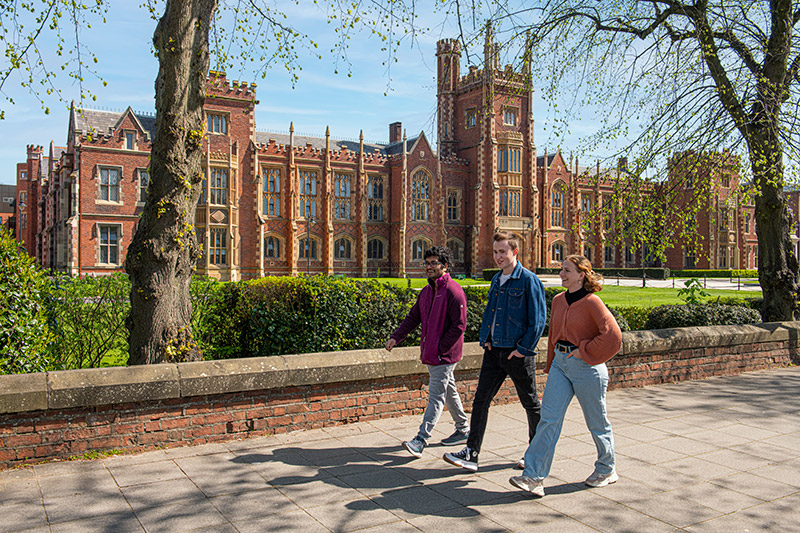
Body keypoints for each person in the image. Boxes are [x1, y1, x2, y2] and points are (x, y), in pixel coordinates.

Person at [509, 254, 623, 498]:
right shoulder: (559, 300)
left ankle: (606, 469)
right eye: (561, 269)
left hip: (587, 367)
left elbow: (613, 337)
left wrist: (585, 351)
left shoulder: (593, 302)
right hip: (561, 366)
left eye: (566, 270)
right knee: (549, 419)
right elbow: (554, 336)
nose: (561, 274)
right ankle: (533, 476)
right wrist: (552, 364)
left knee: (596, 422)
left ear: (581, 275)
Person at [443, 231, 546, 472]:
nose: (498, 257)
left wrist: (523, 349)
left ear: (515, 252)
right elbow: (492, 312)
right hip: (494, 351)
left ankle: (536, 453)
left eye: (503, 252)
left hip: (516, 353)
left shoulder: (529, 280)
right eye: (496, 252)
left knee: (530, 403)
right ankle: (471, 452)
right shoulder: (497, 279)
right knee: (480, 401)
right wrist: (485, 338)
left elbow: (538, 320)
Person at [386, 245, 470, 458]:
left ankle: (421, 439)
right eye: (427, 263)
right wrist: (396, 337)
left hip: (444, 355)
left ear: (445, 266)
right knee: (448, 389)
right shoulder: (426, 291)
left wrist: (441, 348)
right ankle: (463, 429)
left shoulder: (453, 291)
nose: (429, 267)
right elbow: (413, 318)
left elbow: (459, 326)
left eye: (434, 263)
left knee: (436, 396)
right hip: (433, 352)